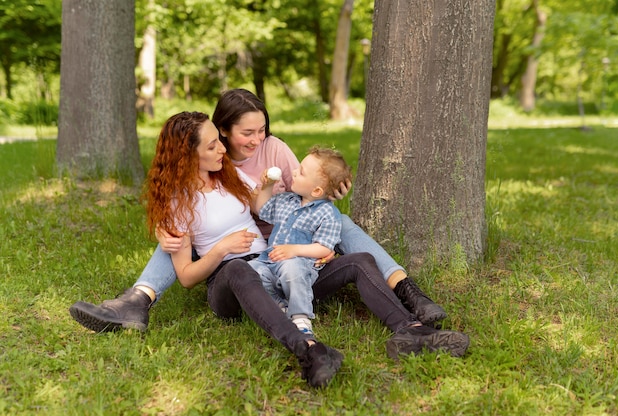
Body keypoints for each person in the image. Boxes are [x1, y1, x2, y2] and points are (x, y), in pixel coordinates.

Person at [70, 111, 470, 388]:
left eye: (218, 143)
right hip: (228, 283)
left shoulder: (229, 177)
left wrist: (329, 191)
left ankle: (410, 331)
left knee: (360, 261)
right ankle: (308, 348)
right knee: (239, 269)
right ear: (186, 154)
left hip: (279, 266)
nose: (222, 150)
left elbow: (290, 197)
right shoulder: (179, 202)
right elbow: (189, 277)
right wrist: (221, 248)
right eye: (211, 146)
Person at [68, 88, 446, 333]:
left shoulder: (274, 149)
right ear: (222, 132)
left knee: (341, 221)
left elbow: (307, 188)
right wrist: (165, 229)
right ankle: (138, 299)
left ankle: (407, 290)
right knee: (175, 237)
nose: (256, 139)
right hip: (233, 245)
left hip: (279, 235)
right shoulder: (212, 161)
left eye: (261, 129)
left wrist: (331, 191)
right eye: (246, 133)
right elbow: (186, 204)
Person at [248, 146, 352, 337]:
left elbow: (324, 247)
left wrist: (294, 250)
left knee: (292, 269)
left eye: (301, 172)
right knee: (252, 271)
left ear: (317, 189)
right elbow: (262, 208)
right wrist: (267, 186)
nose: (294, 172)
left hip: (299, 264)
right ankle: (279, 306)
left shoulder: (327, 213)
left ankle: (300, 316)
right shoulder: (286, 200)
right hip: (269, 260)